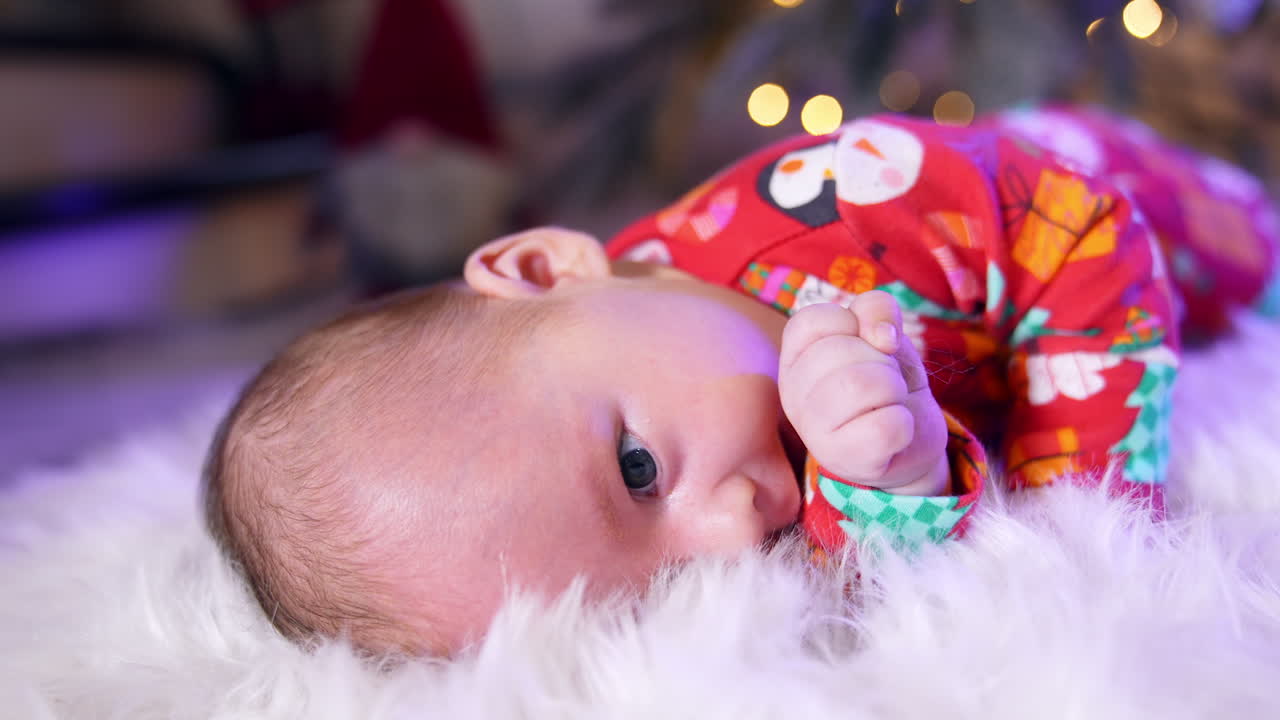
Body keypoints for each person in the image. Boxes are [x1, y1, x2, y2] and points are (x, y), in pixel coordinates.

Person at [202, 106, 1280, 656]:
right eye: (654, 591)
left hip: (1148, 203)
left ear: (547, 270)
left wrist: (1078, 500)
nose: (724, 538)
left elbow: (1081, 227)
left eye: (636, 470)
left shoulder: (859, 191)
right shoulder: (686, 400)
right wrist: (887, 482)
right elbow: (880, 541)